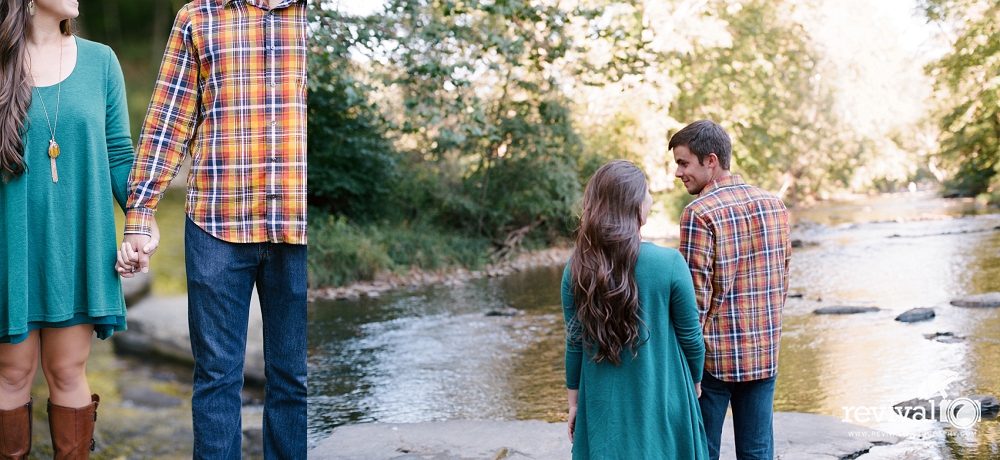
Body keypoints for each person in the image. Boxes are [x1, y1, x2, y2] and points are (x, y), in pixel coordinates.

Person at [117, 0, 307, 458]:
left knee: (295, 379)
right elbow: (167, 123)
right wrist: (140, 216)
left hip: (299, 227)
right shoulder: (197, 17)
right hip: (215, 223)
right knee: (217, 379)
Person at [0, 0, 159, 457]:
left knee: (68, 373)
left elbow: (119, 155)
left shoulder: (101, 60)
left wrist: (141, 220)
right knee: (11, 375)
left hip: (78, 243)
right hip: (12, 246)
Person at [562, 160, 708, 459]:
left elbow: (574, 343)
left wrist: (574, 404)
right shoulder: (670, 263)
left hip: (603, 406)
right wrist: (694, 382)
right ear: (635, 205)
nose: (651, 199)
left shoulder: (577, 268)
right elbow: (691, 338)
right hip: (664, 395)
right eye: (647, 193)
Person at [670, 120, 791, 460]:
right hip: (764, 353)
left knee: (702, 452)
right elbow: (781, 281)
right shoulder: (774, 205)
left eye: (683, 163)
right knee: (757, 452)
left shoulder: (698, 213)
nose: (677, 173)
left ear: (710, 160)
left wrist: (687, 366)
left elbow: (692, 303)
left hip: (714, 361)